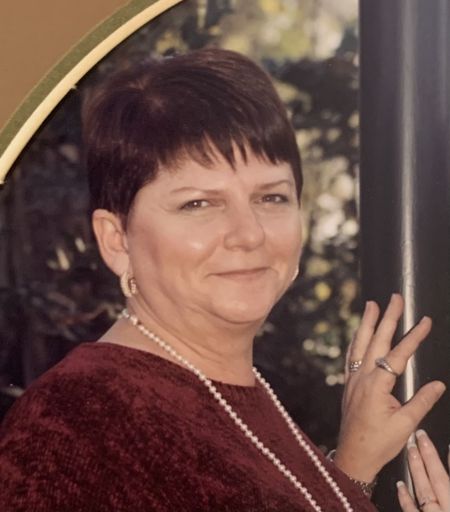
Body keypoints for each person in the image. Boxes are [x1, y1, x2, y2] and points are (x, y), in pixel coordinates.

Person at [0, 48, 446, 511]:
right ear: (117, 240)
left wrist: (350, 471)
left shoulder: (245, 400)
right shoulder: (72, 423)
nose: (248, 234)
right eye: (198, 204)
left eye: (271, 197)